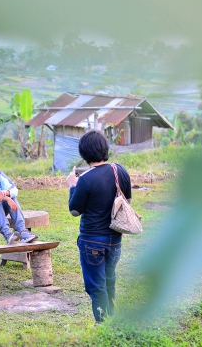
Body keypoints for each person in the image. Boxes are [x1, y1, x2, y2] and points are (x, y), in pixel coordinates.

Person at [66, 130, 132, 323]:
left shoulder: (85, 179)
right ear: (104, 148)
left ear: (84, 153)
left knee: (96, 286)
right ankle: (112, 321)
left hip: (92, 242)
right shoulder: (120, 170)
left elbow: (74, 211)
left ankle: (103, 325)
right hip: (115, 239)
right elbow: (126, 201)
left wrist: (72, 186)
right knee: (109, 281)